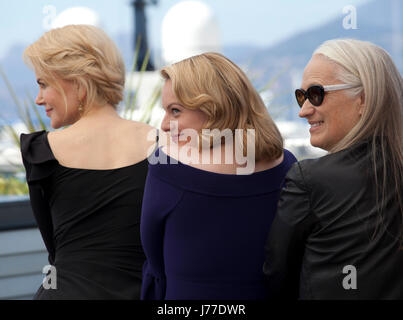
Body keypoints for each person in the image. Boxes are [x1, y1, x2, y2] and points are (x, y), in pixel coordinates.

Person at [140, 52, 297, 300]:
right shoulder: (288, 165)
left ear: (212, 108)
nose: (164, 124)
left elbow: (154, 260)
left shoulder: (168, 167)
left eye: (175, 111)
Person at [20, 24, 155, 299]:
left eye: (44, 84)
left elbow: (56, 251)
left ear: (79, 84)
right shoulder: (163, 145)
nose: (38, 99)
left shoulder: (42, 151)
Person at [263, 39, 403, 299]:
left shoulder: (310, 180)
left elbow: (277, 276)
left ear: (363, 99)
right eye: (300, 96)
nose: (303, 110)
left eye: (316, 94)